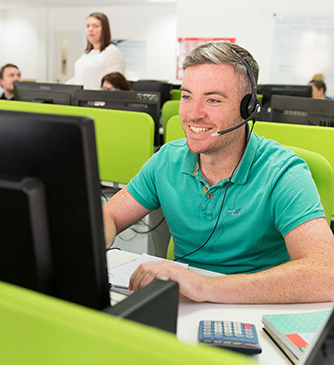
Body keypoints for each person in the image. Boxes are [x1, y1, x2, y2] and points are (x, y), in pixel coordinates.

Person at [103, 41, 334, 304]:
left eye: (213, 100)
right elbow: (109, 214)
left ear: (248, 108)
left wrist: (205, 286)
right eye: (187, 96)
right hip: (181, 308)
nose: (193, 114)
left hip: (254, 314)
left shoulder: (282, 172)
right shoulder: (167, 159)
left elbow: (325, 274)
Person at [67, 12, 125, 90]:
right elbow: (80, 78)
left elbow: (116, 85)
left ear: (104, 29)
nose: (90, 29)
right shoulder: (88, 54)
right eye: (88, 26)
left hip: (97, 100)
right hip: (80, 99)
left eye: (96, 26)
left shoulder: (112, 52)